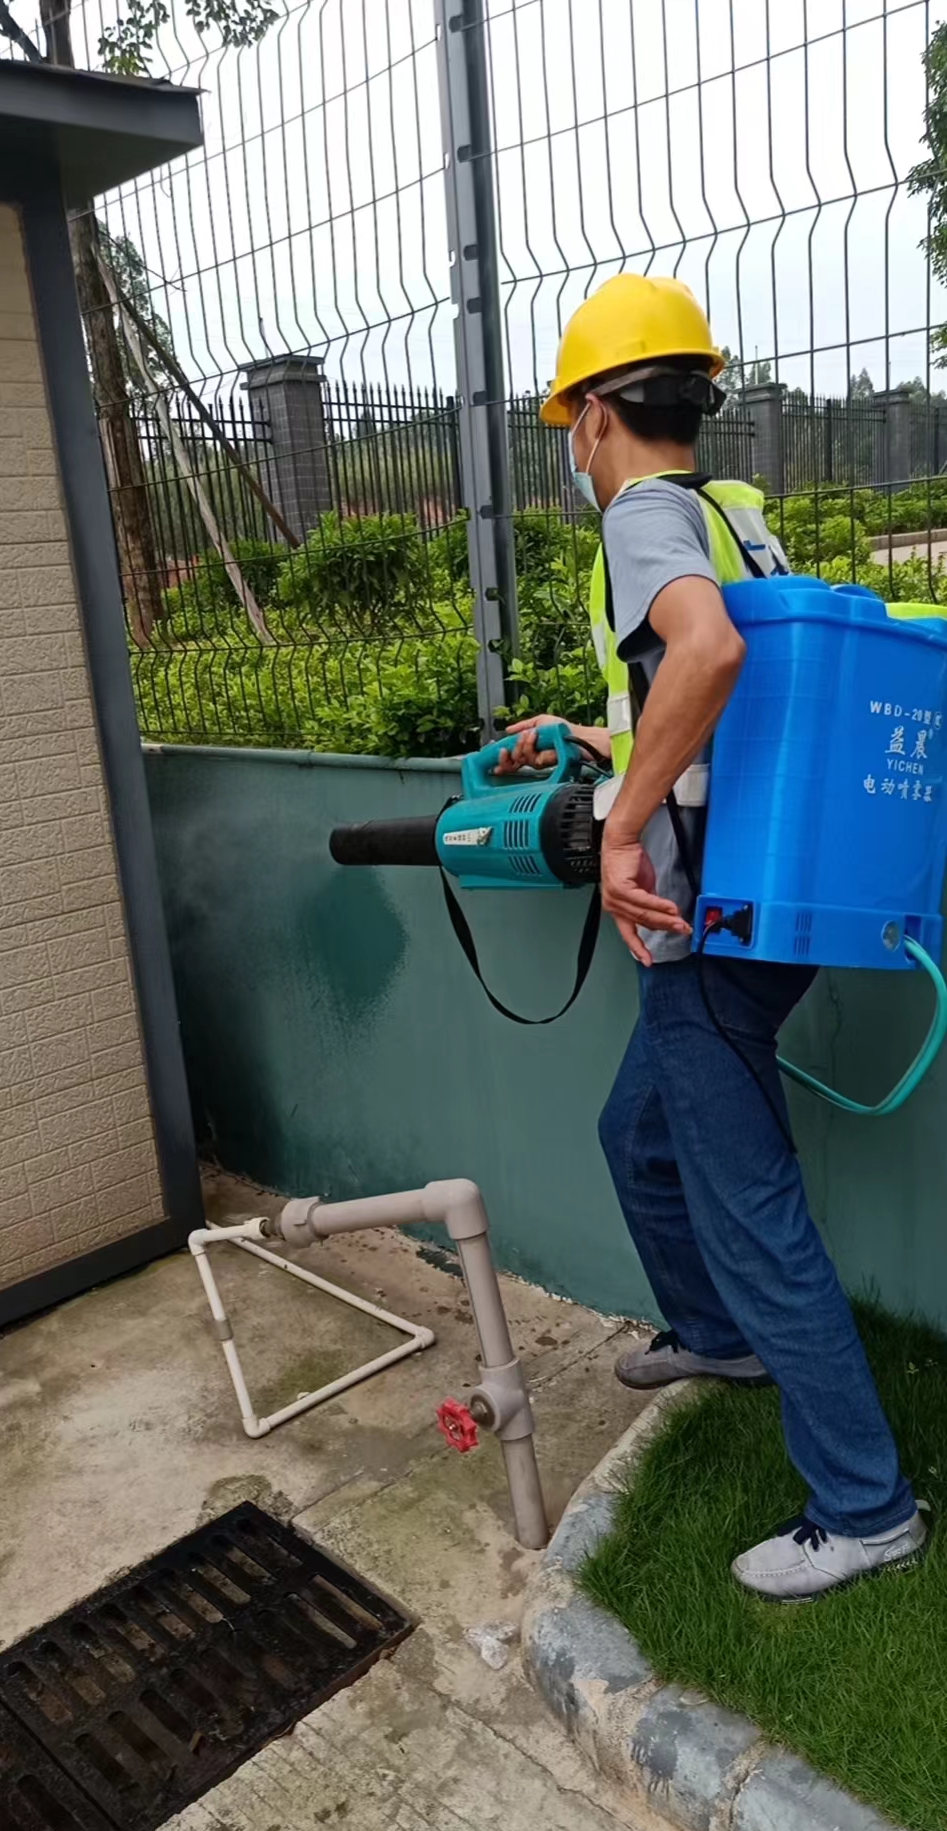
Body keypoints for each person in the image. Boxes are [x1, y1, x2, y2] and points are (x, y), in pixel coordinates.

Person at [502, 273, 925, 1601]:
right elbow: (725, 693)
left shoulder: (639, 514)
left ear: (593, 416)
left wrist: (621, 828)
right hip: (775, 890)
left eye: (570, 425)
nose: (574, 449)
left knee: (753, 1214)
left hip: (707, 917)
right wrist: (593, 735)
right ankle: (718, 1335)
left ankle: (866, 1505)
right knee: (638, 1136)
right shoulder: (730, 511)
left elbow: (708, 658)